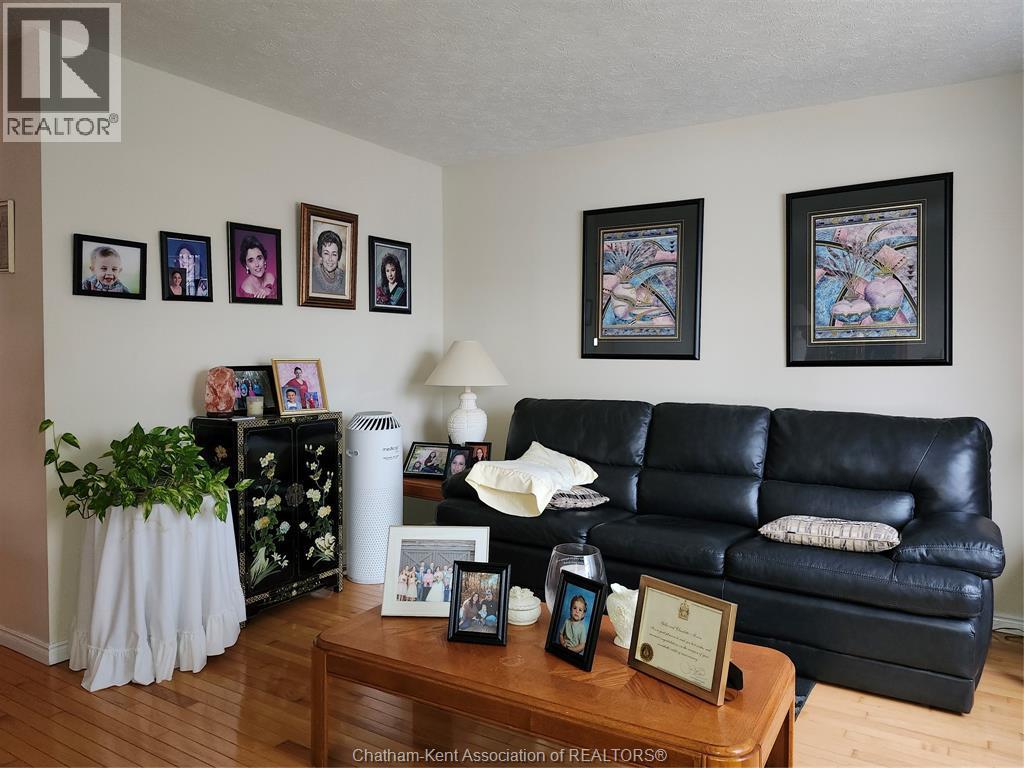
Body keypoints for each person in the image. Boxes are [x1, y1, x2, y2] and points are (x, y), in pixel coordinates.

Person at [238, 235, 276, 299]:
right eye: (251, 260)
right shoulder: (246, 290)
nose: (257, 264)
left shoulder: (271, 277)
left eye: (259, 258)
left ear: (264, 259)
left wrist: (268, 290)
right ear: (246, 265)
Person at [311, 230, 345, 295]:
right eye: (326, 253)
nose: (330, 259)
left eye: (334, 254)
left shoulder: (345, 278)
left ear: (339, 256)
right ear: (321, 254)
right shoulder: (312, 275)